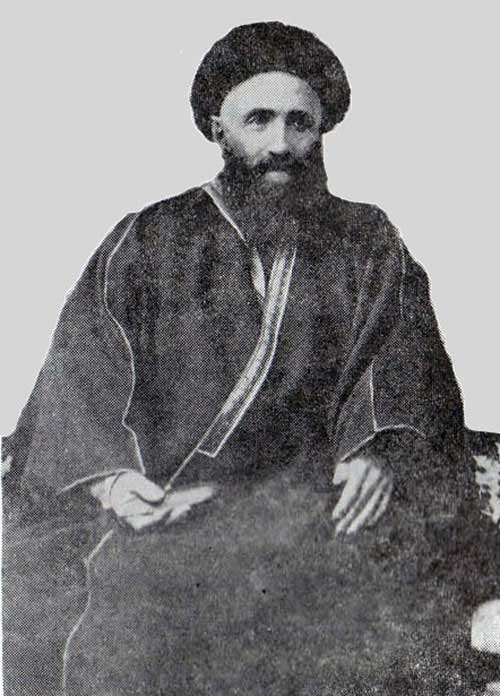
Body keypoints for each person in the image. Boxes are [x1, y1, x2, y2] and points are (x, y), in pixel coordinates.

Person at [2, 21, 499, 696]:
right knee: (118, 609)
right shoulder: (147, 236)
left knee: (369, 606)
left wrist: (379, 449)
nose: (280, 144)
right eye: (258, 120)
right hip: (170, 511)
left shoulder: (367, 238)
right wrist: (113, 483)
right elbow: (80, 372)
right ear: (218, 128)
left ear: (323, 131)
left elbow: (405, 356)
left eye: (300, 123)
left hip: (314, 507)